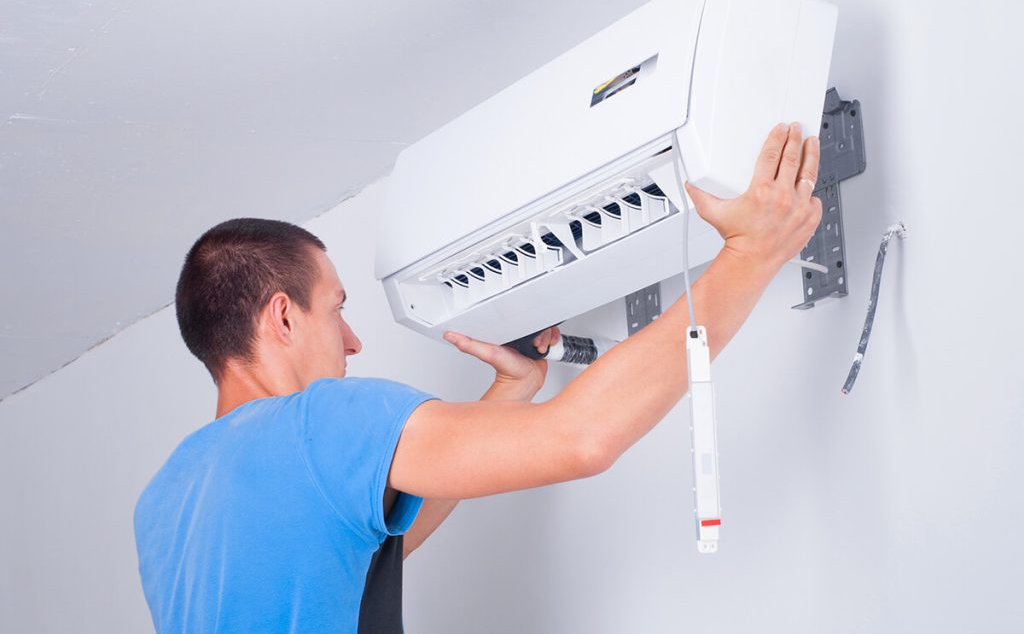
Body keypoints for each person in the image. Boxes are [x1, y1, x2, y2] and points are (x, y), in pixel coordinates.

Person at [134, 122, 821, 633]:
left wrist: (509, 392)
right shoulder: (321, 420)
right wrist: (750, 255)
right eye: (336, 309)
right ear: (282, 317)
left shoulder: (165, 501)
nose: (352, 340)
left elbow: (359, 544)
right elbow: (581, 438)